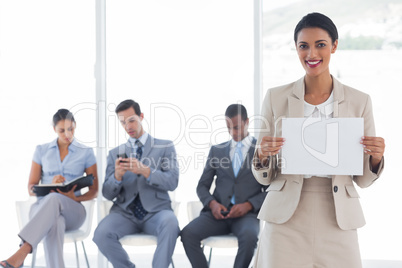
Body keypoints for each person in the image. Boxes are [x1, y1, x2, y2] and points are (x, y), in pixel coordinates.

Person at [252, 12, 385, 268]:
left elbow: (363, 181)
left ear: (334, 45)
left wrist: (376, 159)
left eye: (320, 44)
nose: (311, 54)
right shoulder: (275, 97)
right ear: (296, 49)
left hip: (338, 218)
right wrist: (262, 155)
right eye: (304, 46)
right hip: (286, 217)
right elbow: (263, 177)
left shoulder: (360, 101)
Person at [0, 109, 98, 268]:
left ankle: (23, 250)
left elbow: (94, 190)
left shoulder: (86, 152)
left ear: (75, 126)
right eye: (62, 130)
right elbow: (31, 188)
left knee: (54, 199)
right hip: (42, 208)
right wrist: (50, 184)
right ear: (54, 129)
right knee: (55, 220)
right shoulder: (41, 151)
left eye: (71, 129)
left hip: (73, 210)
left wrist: (76, 198)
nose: (67, 134)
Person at [93, 99, 179, 268]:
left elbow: (172, 181)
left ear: (141, 117)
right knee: (101, 234)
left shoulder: (165, 147)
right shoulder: (114, 153)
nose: (128, 127)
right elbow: (107, 193)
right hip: (125, 213)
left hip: (157, 211)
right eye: (123, 123)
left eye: (131, 120)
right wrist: (117, 176)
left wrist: (146, 171)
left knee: (171, 224)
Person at [181, 104, 267, 268]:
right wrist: (212, 204)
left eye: (236, 127)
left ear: (247, 122)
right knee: (187, 234)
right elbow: (202, 186)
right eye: (228, 128)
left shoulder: (261, 150)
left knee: (250, 238)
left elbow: (270, 190)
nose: (233, 133)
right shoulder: (217, 151)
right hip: (217, 214)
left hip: (246, 216)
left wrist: (249, 205)